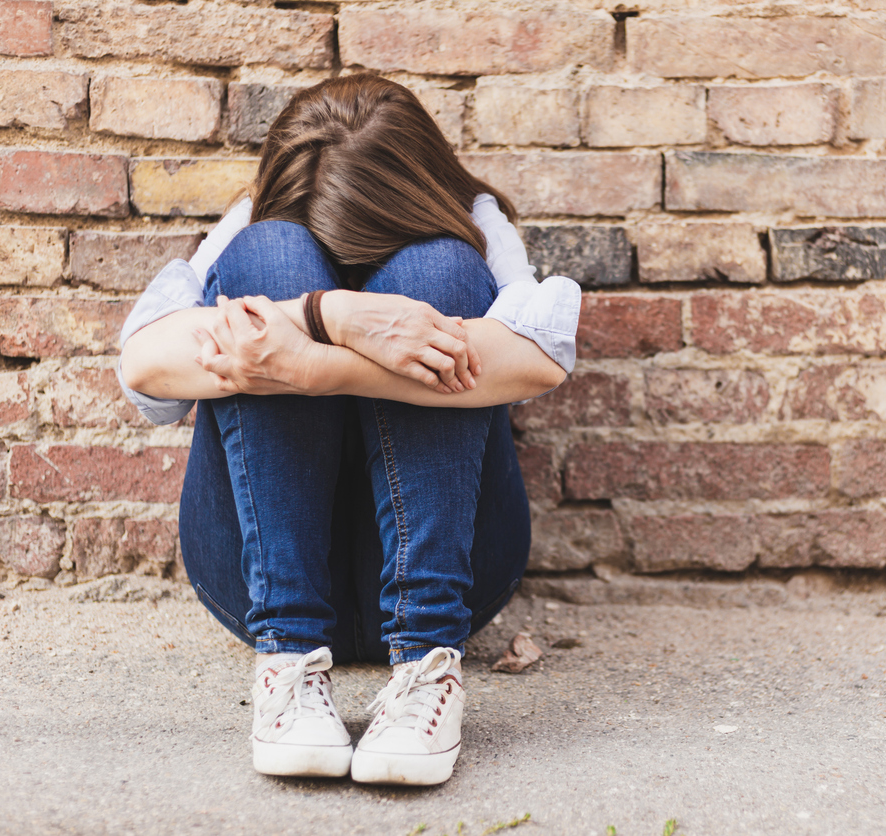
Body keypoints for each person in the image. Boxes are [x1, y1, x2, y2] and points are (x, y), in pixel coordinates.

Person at [117, 74, 579, 786]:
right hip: (258, 579)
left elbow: (537, 361)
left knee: (441, 268)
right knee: (269, 259)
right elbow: (145, 364)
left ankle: (428, 667)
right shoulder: (253, 219)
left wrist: (317, 367)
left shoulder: (472, 217)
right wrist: (331, 316)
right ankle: (287, 661)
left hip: (451, 577)